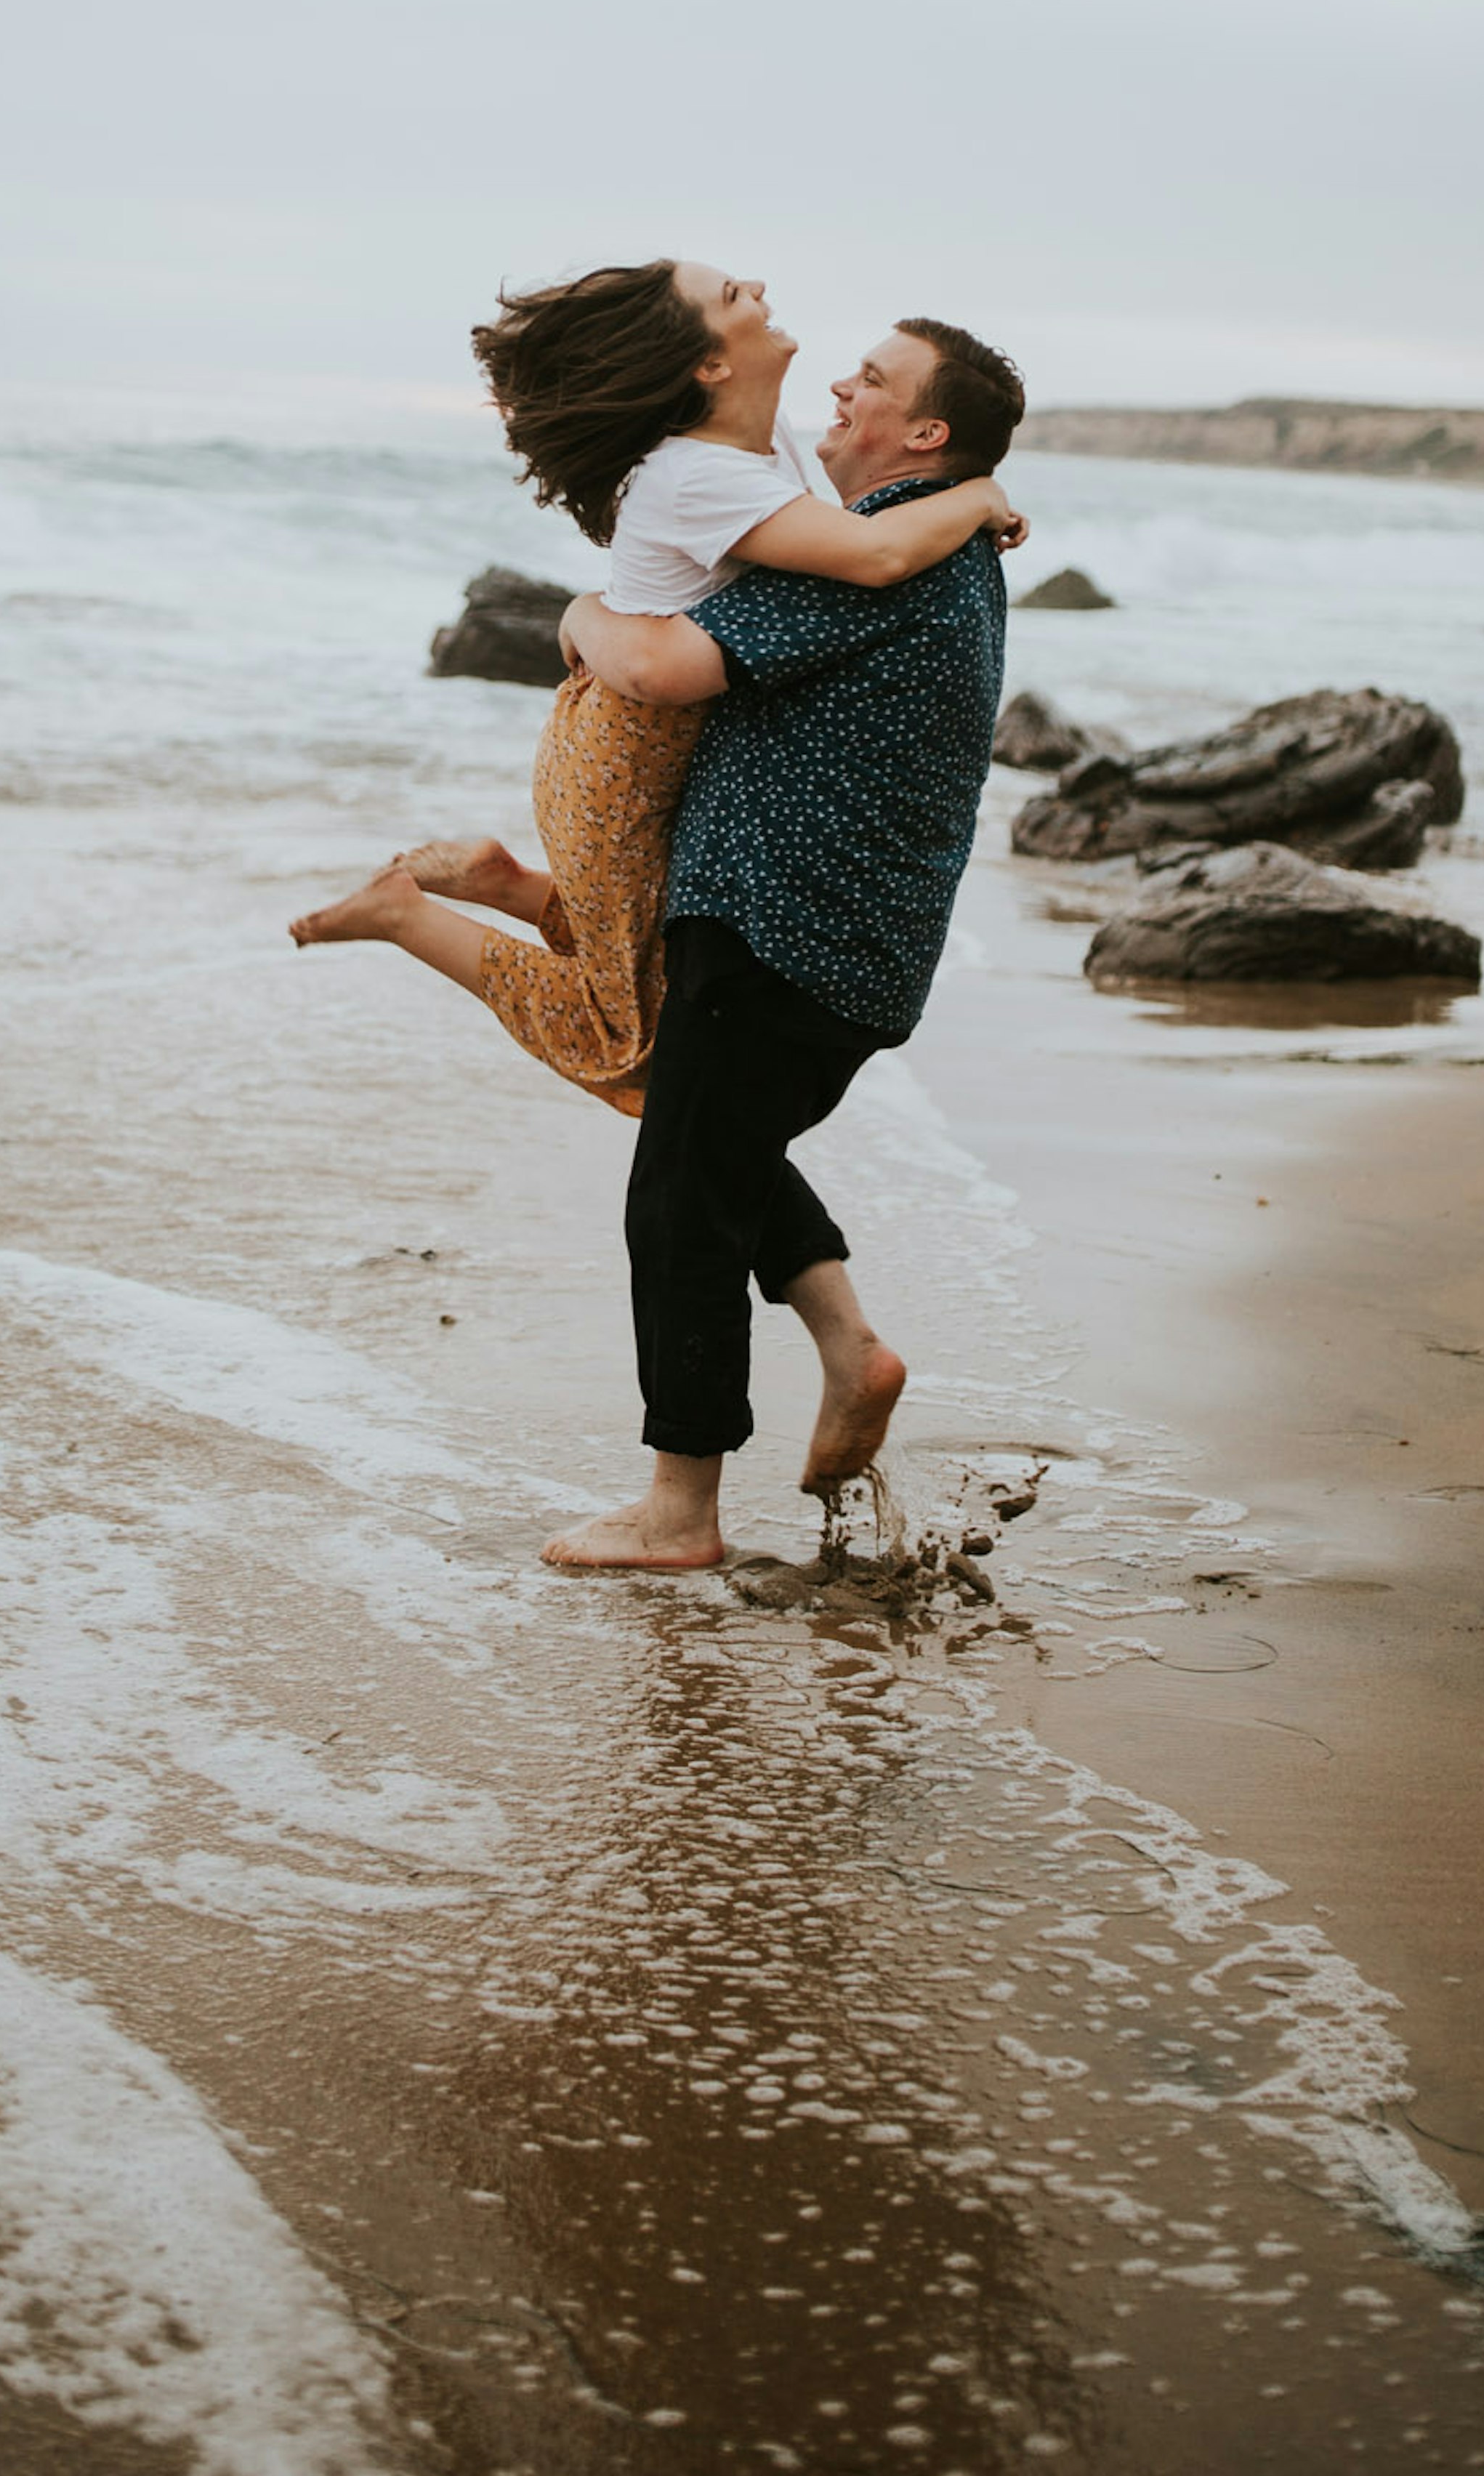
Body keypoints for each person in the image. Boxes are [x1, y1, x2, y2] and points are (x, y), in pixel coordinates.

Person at [288, 263, 1019, 1117]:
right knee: (629, 1044)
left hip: (646, 733)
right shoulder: (697, 473)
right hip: (625, 750)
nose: (757, 284)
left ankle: (510, 884)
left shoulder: (765, 443)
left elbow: (860, 535)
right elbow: (874, 555)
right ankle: (403, 916)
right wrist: (977, 496)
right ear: (709, 363)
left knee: (651, 980)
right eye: (731, 295)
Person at [536, 314, 1025, 1572]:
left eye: (876, 377)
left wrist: (582, 611)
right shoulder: (942, 541)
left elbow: (653, 666)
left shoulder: (879, 559)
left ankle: (679, 1512)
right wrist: (981, 494)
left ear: (925, 432)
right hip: (843, 941)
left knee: (682, 1201)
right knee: (712, 1147)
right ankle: (853, 1353)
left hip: (778, 927)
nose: (843, 382)